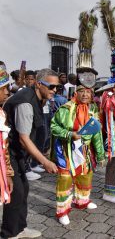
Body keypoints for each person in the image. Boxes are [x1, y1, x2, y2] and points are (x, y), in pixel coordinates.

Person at [1, 68, 58, 239]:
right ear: (39, 84)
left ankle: (20, 228)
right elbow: (23, 139)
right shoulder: (25, 102)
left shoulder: (39, 97)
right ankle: (9, 233)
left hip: (19, 153)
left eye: (57, 87)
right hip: (9, 152)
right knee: (16, 191)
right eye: (51, 86)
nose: (54, 90)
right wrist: (44, 161)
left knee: (23, 188)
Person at [50, 71, 105, 225]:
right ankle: (62, 210)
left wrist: (100, 154)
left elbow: (97, 133)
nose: (86, 95)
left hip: (86, 151)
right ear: (76, 92)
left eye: (89, 92)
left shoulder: (93, 109)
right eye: (82, 91)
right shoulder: (66, 108)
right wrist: (69, 134)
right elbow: (54, 127)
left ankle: (82, 201)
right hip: (67, 150)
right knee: (65, 179)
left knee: (85, 176)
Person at [0, 62, 14, 205]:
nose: (7, 92)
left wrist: (8, 175)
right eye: (3, 88)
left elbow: (4, 150)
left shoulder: (1, 114)